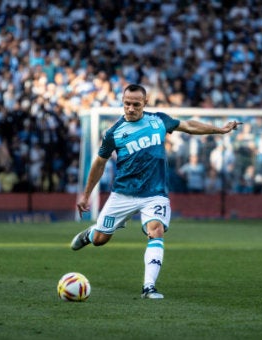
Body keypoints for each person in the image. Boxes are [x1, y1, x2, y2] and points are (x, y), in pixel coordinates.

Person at [70, 84, 243, 299]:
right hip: (123, 194)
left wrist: (220, 129)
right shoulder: (113, 133)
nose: (130, 108)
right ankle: (90, 234)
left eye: (135, 104)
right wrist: (86, 195)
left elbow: (189, 126)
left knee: (156, 230)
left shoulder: (159, 120)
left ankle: (148, 287)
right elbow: (99, 163)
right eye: (127, 104)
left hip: (154, 193)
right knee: (100, 240)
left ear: (145, 103)